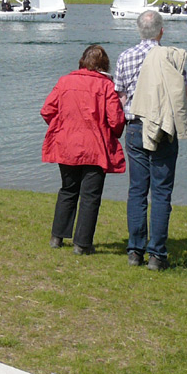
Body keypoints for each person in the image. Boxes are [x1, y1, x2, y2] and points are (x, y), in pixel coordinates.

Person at [114, 10, 187, 271]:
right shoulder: (170, 56)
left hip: (136, 126)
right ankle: (157, 255)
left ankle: (135, 251)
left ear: (139, 31)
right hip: (163, 128)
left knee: (137, 190)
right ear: (162, 31)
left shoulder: (125, 56)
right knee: (161, 192)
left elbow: (121, 96)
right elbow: (184, 91)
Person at [41, 45, 125, 254]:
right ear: (104, 65)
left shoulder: (65, 81)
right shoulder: (106, 86)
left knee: (68, 189)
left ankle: (57, 237)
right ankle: (82, 243)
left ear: (82, 61)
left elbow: (47, 110)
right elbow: (116, 121)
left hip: (67, 144)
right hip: (95, 147)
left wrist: (63, 125)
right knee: (90, 196)